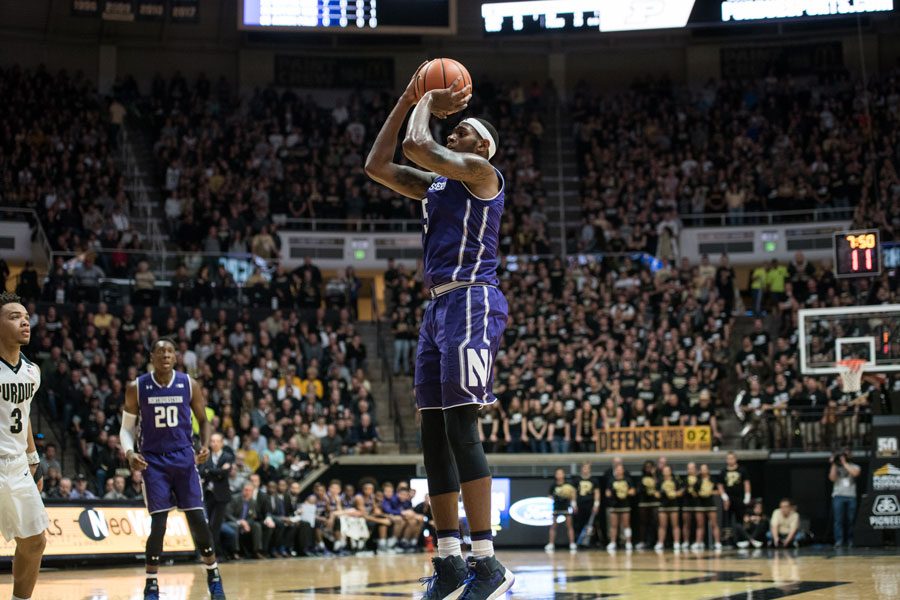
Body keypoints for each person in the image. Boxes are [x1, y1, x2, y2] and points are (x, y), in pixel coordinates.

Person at [366, 63, 513, 599]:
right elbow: (378, 162)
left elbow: (419, 147)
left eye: (468, 129)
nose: (458, 130)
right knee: (431, 435)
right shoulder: (435, 187)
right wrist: (409, 97)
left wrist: (423, 99)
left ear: (484, 148)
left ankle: (488, 562)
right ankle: (449, 562)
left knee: (461, 430)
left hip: (473, 299)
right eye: (456, 126)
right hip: (437, 309)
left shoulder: (481, 176)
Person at [118, 338, 226, 600]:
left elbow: (203, 419)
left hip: (184, 458)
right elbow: (126, 429)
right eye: (160, 351)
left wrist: (205, 445)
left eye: (170, 351)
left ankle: (213, 574)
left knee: (198, 521)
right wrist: (130, 453)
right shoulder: (137, 387)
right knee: (159, 524)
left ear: (176, 357)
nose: (165, 355)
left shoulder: (189, 384)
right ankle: (151, 583)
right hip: (153, 461)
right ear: (152, 357)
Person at [0, 292, 49, 600]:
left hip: (17, 464)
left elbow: (25, 412)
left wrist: (33, 458)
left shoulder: (32, 371)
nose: (24, 322)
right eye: (14, 317)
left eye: (27, 317)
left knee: (34, 541)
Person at [200, 433, 236, 559]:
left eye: (217, 441)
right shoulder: (206, 456)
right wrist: (216, 472)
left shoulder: (228, 456)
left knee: (215, 526)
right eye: (212, 441)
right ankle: (218, 553)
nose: (214, 443)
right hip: (209, 495)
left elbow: (224, 473)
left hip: (221, 496)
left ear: (221, 443)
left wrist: (210, 471)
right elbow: (202, 471)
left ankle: (214, 554)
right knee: (210, 525)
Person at [829, 449, 860, 548]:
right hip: (838, 495)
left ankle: (851, 540)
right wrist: (834, 463)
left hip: (851, 496)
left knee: (851, 519)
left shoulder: (855, 466)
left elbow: (855, 473)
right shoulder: (836, 467)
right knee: (838, 520)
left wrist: (844, 463)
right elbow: (832, 478)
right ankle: (839, 541)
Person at [718, 451, 751, 545]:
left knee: (740, 519)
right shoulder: (723, 471)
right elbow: (720, 485)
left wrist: (747, 495)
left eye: (732, 458)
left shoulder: (742, 470)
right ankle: (727, 541)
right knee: (727, 520)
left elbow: (746, 483)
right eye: (728, 458)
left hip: (739, 498)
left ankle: (742, 539)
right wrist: (724, 496)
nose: (730, 460)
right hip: (728, 499)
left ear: (735, 459)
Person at [605, 463, 635, 552]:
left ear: (623, 471)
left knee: (626, 525)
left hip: (625, 505)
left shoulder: (627, 480)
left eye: (620, 469)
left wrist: (625, 493)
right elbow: (607, 492)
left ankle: (628, 542)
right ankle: (613, 542)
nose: (618, 471)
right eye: (617, 469)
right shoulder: (611, 480)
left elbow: (633, 491)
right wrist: (612, 494)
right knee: (613, 525)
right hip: (614, 505)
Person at [545, 468, 577, 552]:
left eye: (561, 473)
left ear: (563, 474)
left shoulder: (568, 485)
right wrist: (555, 496)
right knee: (553, 526)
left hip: (566, 507)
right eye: (557, 473)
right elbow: (550, 495)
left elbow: (573, 494)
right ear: (556, 475)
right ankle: (551, 543)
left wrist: (573, 504)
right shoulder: (553, 485)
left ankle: (572, 543)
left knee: (569, 526)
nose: (559, 475)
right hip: (556, 507)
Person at [693, 463, 722, 551]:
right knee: (700, 525)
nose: (703, 471)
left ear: (708, 470)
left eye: (705, 469)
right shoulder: (697, 480)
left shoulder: (713, 479)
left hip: (710, 504)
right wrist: (700, 493)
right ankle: (699, 542)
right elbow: (693, 492)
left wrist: (710, 492)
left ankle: (717, 542)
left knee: (714, 524)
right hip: (700, 504)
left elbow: (719, 491)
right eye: (702, 469)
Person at [573, 462, 601, 548]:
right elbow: (573, 492)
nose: (586, 470)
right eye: (584, 468)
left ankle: (591, 541)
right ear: (581, 469)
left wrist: (596, 505)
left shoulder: (594, 480)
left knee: (591, 524)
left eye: (588, 468)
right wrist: (574, 504)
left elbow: (597, 493)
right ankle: (579, 542)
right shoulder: (577, 480)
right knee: (579, 523)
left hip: (590, 504)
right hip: (580, 504)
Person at [657, 465, 683, 551]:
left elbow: (681, 491)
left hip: (673, 504)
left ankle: (676, 542)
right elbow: (656, 492)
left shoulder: (675, 480)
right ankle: (660, 542)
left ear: (671, 471)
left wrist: (674, 494)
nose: (666, 472)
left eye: (668, 470)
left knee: (675, 525)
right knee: (662, 525)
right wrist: (660, 493)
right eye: (665, 470)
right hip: (663, 505)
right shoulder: (660, 481)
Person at [635, 460, 660, 550]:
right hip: (644, 502)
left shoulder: (657, 476)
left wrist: (654, 475)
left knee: (655, 522)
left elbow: (658, 485)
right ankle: (642, 541)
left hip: (654, 502)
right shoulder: (641, 477)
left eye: (650, 467)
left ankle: (657, 541)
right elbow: (638, 490)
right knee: (643, 523)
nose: (648, 469)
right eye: (647, 467)